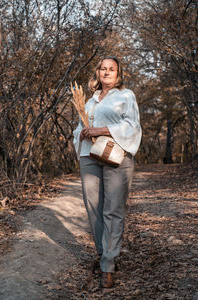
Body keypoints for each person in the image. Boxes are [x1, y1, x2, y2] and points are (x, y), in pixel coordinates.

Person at [73, 56, 142, 288]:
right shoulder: (90, 101)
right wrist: (82, 133)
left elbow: (132, 126)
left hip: (116, 157)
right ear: (98, 73)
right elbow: (80, 127)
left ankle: (108, 266)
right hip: (89, 157)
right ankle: (105, 254)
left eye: (111, 69)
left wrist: (100, 129)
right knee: (94, 209)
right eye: (103, 68)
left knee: (112, 210)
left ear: (118, 73)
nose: (107, 72)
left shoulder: (126, 95)